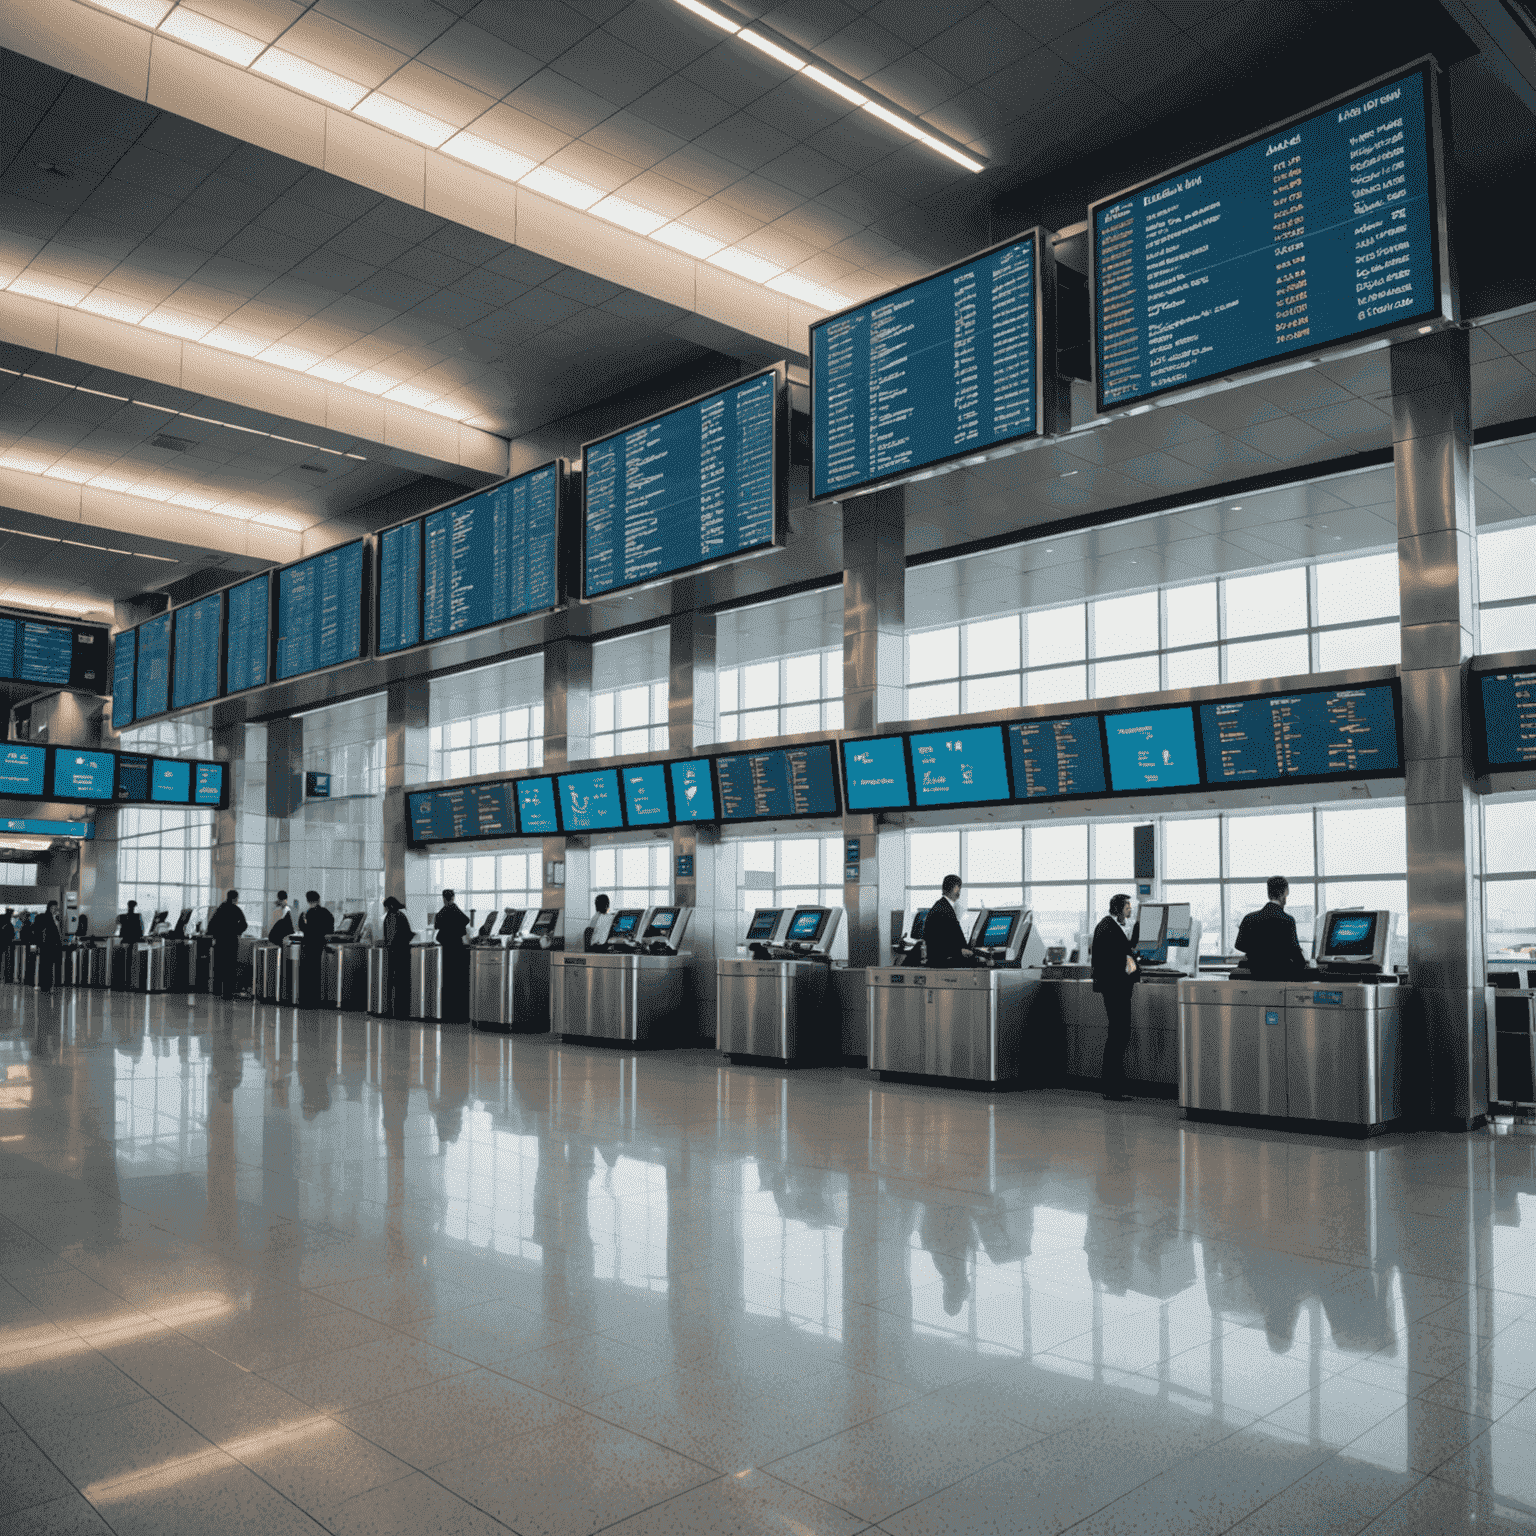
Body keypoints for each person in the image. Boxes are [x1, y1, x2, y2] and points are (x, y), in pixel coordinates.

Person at [1093, 893, 1140, 1103]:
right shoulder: (1108, 928)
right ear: (1118, 909)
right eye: (1128, 907)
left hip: (1115, 987)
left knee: (1118, 1034)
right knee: (1118, 1034)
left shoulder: (1109, 927)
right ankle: (1112, 1088)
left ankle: (1112, 1086)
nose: (1130, 911)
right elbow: (1120, 959)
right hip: (1115, 988)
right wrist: (1134, 965)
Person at [1235, 876, 1308, 980]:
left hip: (1255, 975)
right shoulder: (1287, 920)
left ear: (1268, 893)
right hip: (1280, 977)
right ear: (1285, 893)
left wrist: (1258, 951)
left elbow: (1239, 945)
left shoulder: (1249, 918)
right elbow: (1295, 954)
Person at [924, 875, 975, 967]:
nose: (959, 891)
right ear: (956, 888)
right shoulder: (943, 909)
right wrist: (959, 951)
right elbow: (938, 942)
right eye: (959, 888)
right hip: (945, 962)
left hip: (944, 958)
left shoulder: (941, 906)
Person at [435, 889, 470, 1021]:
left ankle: (447, 1012)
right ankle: (459, 1013)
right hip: (457, 948)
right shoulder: (455, 910)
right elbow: (466, 920)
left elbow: (437, 925)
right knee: (458, 980)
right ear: (453, 898)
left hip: (446, 949)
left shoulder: (442, 913)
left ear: (443, 898)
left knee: (447, 980)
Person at [207, 890, 248, 1000]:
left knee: (219, 966)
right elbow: (244, 924)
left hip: (220, 942)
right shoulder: (236, 909)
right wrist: (236, 931)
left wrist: (216, 934)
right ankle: (227, 993)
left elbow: (210, 926)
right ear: (235, 898)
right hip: (231, 942)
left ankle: (217, 991)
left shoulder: (220, 909)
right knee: (230, 967)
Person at [297, 891, 333, 1008]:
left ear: (308, 901)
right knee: (316, 972)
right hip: (319, 946)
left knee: (306, 973)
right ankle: (315, 1000)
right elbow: (330, 929)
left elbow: (302, 927)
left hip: (307, 945)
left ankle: (305, 1000)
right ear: (319, 899)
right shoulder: (325, 913)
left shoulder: (305, 913)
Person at [382, 897, 414, 1021]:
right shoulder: (401, 915)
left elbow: (391, 936)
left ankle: (391, 1011)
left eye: (385, 906)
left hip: (394, 953)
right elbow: (409, 933)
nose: (384, 909)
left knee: (392, 982)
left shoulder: (392, 916)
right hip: (403, 953)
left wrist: (387, 946)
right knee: (402, 983)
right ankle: (402, 1012)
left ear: (389, 906)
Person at [35, 900, 63, 994]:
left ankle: (49, 985)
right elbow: (40, 932)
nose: (55, 910)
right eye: (53, 908)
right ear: (50, 908)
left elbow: (58, 933)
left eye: (56, 908)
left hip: (53, 947)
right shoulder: (44, 917)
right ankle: (45, 986)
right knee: (45, 966)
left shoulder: (56, 919)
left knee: (49, 966)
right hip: (46, 946)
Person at [0, 908, 14, 982]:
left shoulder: (2, 918)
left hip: (2, 943)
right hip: (6, 944)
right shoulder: (8, 923)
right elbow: (11, 934)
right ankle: (7, 977)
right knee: (7, 960)